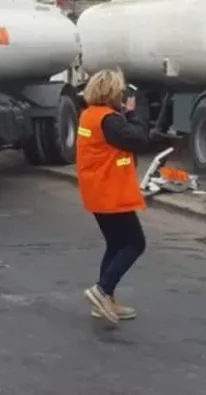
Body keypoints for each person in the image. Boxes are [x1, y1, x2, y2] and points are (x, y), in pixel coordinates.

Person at [75, 69, 150, 324]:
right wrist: (133, 113)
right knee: (135, 243)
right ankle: (102, 290)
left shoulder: (88, 115)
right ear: (111, 92)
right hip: (112, 193)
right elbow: (139, 139)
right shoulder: (110, 121)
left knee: (116, 244)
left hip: (96, 192)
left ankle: (105, 301)